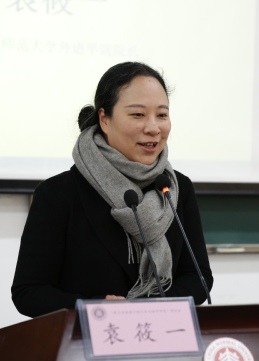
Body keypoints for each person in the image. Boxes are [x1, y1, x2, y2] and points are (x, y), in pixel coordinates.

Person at [11, 62, 213, 317]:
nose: (153, 128)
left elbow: (198, 277)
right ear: (104, 119)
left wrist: (148, 311)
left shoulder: (174, 188)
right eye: (138, 115)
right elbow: (29, 292)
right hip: (88, 336)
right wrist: (96, 309)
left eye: (162, 115)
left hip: (162, 332)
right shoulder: (58, 194)